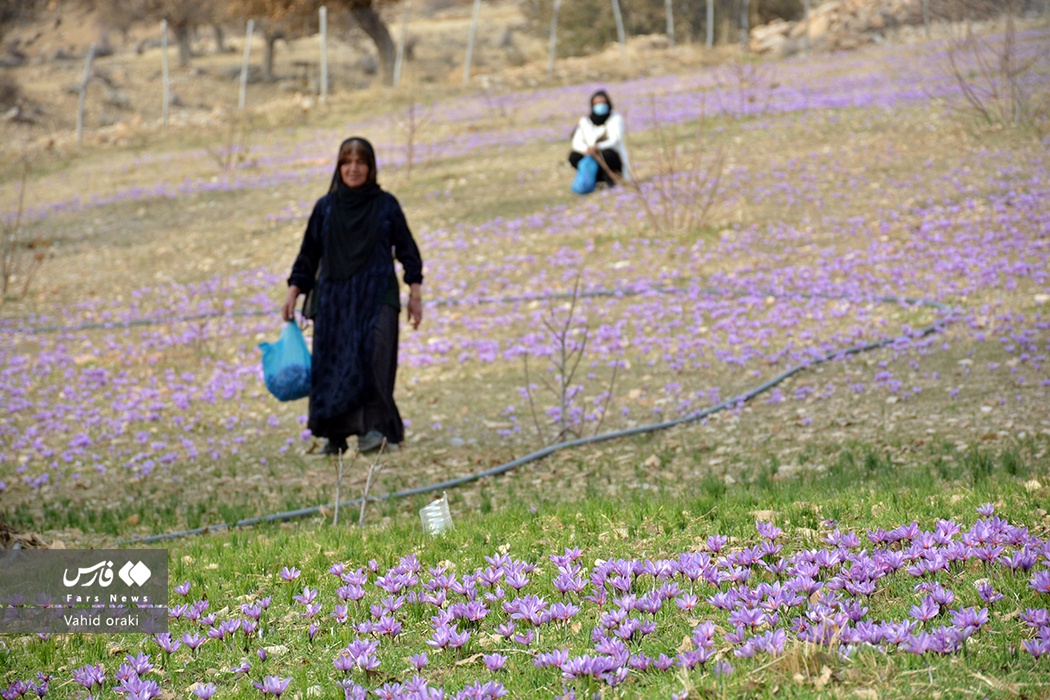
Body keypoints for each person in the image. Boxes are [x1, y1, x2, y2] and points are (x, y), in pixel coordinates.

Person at [282, 137, 424, 455]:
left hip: (377, 296)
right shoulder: (326, 208)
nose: (353, 169)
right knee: (334, 363)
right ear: (339, 167)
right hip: (334, 300)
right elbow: (308, 255)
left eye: (360, 162)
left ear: (371, 168)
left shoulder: (386, 205)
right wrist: (293, 292)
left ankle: (374, 431)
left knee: (376, 359)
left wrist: (415, 293)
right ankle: (335, 435)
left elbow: (408, 251)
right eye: (347, 162)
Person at [568, 89, 631, 193]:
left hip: (609, 154)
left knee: (608, 154)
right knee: (574, 156)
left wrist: (598, 147)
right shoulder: (585, 121)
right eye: (597, 103)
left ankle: (611, 179)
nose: (600, 106)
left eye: (602, 103)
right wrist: (587, 149)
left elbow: (615, 139)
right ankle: (594, 179)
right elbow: (576, 142)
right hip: (591, 153)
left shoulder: (615, 118)